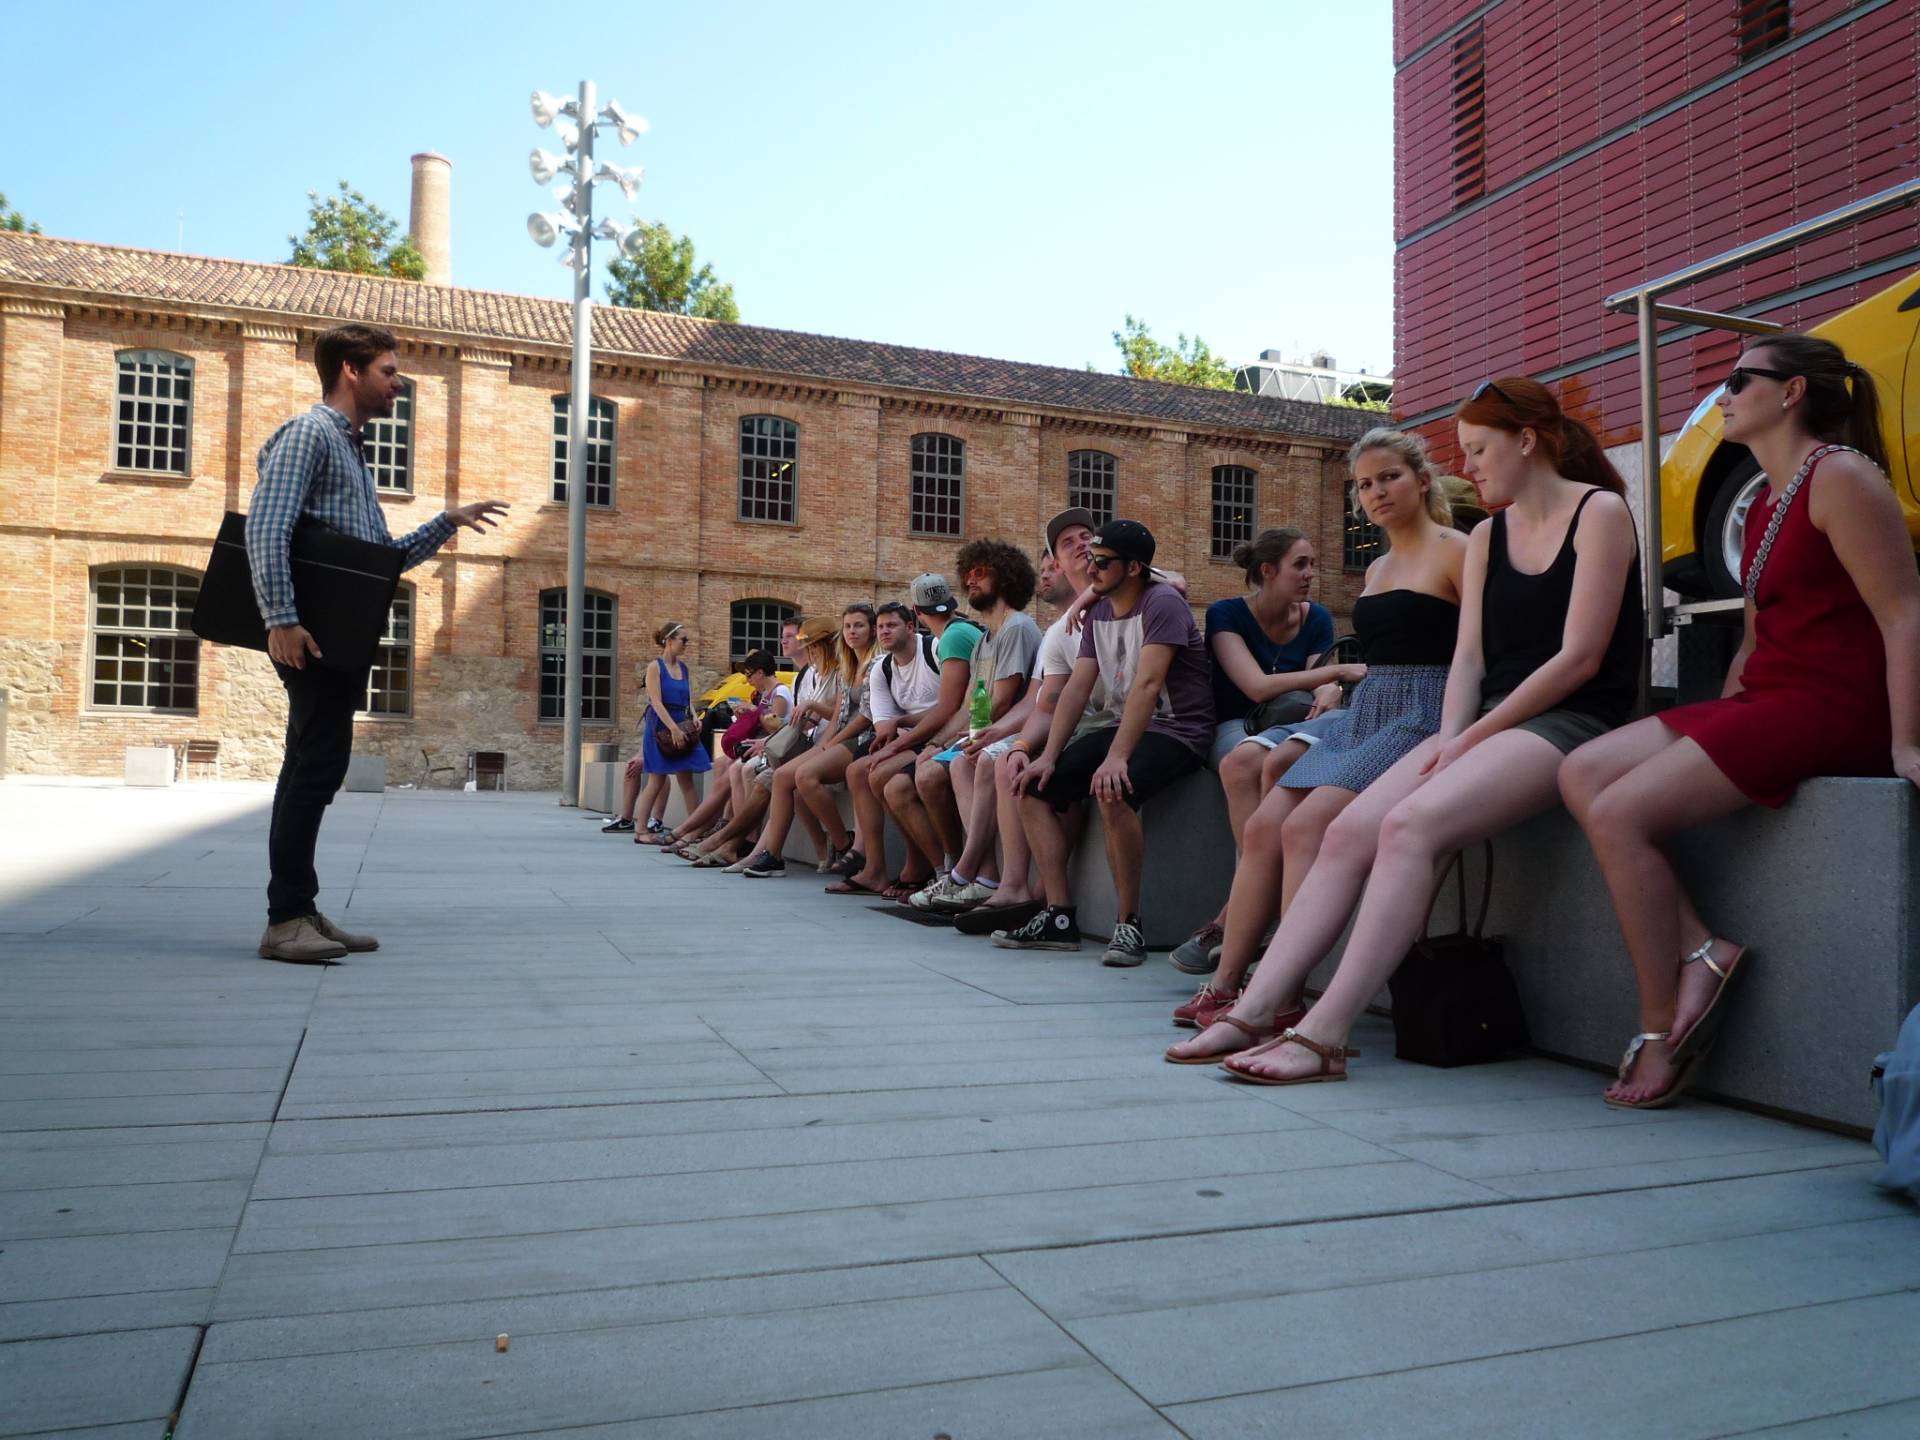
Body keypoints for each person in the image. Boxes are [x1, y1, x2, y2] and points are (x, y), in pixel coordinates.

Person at [1178, 376, 1641, 1081]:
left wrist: (1465, 737)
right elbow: (1470, 658)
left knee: (1403, 826)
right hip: (1481, 719)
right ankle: (1257, 1006)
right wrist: (1455, 735)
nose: (1470, 467)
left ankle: (1322, 1034)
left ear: (1527, 441)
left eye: (1479, 450)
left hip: (1565, 718)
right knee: (1343, 831)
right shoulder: (1490, 535)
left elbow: (1580, 658)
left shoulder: (1599, 511)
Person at [1561, 337, 1920, 1108]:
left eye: (1736, 380)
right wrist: (1717, 723)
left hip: (1833, 704)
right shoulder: (1762, 501)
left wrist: (1907, 742)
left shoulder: (1843, 476)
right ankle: (1701, 948)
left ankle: (1662, 1028)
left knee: (1620, 814)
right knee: (1581, 770)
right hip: (1769, 699)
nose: (1722, 397)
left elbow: (1904, 612)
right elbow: (1755, 640)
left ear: (1790, 393)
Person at [1167, 428, 1466, 1045]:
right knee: (1262, 826)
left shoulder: (1458, 550)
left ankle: (1281, 994)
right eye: (1364, 484)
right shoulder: (1377, 566)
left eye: (1389, 477)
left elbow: (1476, 651)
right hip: (1370, 707)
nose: (1375, 492)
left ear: (1422, 480)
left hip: (1424, 710)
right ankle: (1226, 982)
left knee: (1304, 826)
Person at [245, 323, 507, 963]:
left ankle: (299, 909)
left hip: (335, 634)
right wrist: (281, 618)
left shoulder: (350, 452)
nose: (398, 383)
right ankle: (286, 919)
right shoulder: (310, 434)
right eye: (389, 371)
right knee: (315, 767)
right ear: (350, 371)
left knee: (311, 766)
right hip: (312, 635)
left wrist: (445, 523)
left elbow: (380, 563)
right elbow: (266, 527)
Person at [1004, 519, 1214, 966]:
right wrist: (1048, 756)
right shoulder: (1099, 611)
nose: (1091, 568)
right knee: (1032, 788)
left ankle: (1128, 925)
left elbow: (1149, 684)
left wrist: (1117, 757)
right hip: (1123, 726)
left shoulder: (1163, 603)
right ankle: (1059, 915)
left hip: (1178, 729)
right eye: (1091, 559)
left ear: (1133, 568)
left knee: (1112, 789)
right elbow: (1076, 689)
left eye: (1102, 561)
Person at [1167, 527, 1369, 973]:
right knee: (1243, 762)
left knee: (1274, 758)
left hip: (1291, 722)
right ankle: (1248, 912)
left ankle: (1234, 918)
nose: (1311, 574)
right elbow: (1255, 686)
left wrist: (1330, 686)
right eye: (1300, 565)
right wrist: (1334, 674)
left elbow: (1321, 685)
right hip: (1232, 724)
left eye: (1311, 564)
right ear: (1268, 570)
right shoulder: (1225, 614)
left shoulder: (1316, 618)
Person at [909, 540, 1043, 910]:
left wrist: (961, 741)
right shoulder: (984, 638)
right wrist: (938, 743)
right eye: (968, 573)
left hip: (1016, 732)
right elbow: (972, 703)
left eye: (980, 572)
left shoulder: (1017, 628)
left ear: (1006, 576)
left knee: (960, 764)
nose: (970, 580)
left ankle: (964, 873)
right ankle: (982, 875)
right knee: (946, 765)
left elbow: (1002, 701)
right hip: (989, 732)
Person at [841, 577, 980, 900]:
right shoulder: (883, 667)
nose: (884, 631)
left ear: (913, 619)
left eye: (891, 625)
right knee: (866, 772)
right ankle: (913, 866)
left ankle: (944, 869)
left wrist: (920, 739)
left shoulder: (945, 641)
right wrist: (902, 733)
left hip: (952, 733)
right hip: (935, 733)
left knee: (894, 781)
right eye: (880, 627)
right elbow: (887, 725)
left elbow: (950, 709)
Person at [735, 604, 878, 878]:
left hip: (861, 739)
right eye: (848, 626)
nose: (851, 632)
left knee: (803, 776)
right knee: (782, 777)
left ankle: (842, 844)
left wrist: (830, 742)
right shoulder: (848, 666)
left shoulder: (872, 664)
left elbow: (866, 716)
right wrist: (825, 742)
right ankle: (773, 855)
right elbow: (839, 714)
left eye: (858, 625)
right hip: (840, 738)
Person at [650, 650, 785, 861]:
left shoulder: (780, 693)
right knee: (723, 767)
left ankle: (712, 834)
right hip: (756, 748)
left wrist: (755, 712)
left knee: (734, 772)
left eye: (749, 675)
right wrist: (751, 713)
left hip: (766, 751)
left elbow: (777, 730)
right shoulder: (765, 694)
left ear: (760, 672)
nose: (747, 680)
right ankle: (699, 830)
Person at [623, 622, 710, 836]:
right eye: (683, 640)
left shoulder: (684, 668)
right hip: (661, 726)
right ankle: (641, 830)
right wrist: (673, 729)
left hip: (681, 722)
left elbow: (686, 698)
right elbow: (656, 701)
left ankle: (694, 831)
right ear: (669, 640)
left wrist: (694, 715)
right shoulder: (655, 667)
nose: (686, 644)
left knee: (687, 779)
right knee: (657, 779)